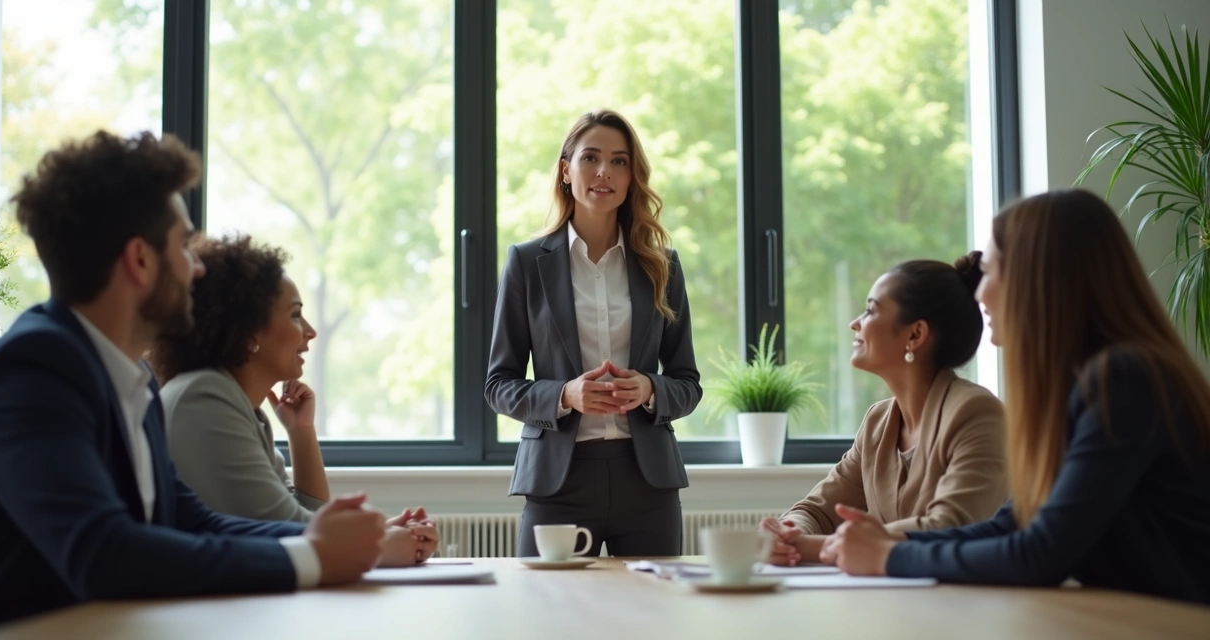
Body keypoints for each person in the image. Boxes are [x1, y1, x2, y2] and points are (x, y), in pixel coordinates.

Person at [0, 130, 388, 625]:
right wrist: (311, 557)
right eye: (184, 246)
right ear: (140, 260)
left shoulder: (134, 380)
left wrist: (325, 538)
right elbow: (103, 551)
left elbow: (191, 520)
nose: (197, 269)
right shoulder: (36, 369)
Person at [820, 189, 1210, 605]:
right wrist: (893, 544)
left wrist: (889, 557)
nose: (979, 294)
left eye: (990, 272)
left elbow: (1041, 553)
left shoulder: (1124, 381)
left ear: (1038, 278)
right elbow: (1011, 525)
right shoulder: (1080, 389)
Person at [485, 109, 701, 557]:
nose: (605, 171)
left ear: (631, 176)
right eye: (591, 158)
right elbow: (498, 385)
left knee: (651, 604)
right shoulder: (526, 263)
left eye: (619, 161)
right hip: (557, 482)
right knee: (546, 602)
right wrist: (565, 395)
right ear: (566, 170)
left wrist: (649, 389)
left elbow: (688, 383)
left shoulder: (662, 265)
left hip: (648, 485)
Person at [149, 235, 437, 565]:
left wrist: (301, 433)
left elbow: (307, 521)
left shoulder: (240, 407)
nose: (310, 331)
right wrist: (381, 544)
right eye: (296, 315)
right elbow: (294, 534)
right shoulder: (205, 397)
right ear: (248, 331)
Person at [760, 254, 1007, 565]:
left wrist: (807, 547)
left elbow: (948, 528)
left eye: (870, 310)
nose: (855, 323)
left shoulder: (978, 414)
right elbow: (817, 510)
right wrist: (788, 532)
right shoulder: (878, 421)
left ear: (915, 335)